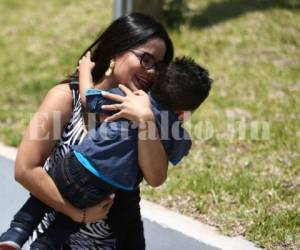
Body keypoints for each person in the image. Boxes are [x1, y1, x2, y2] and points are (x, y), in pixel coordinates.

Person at [0, 52, 212, 250]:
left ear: (156, 81)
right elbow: (169, 161)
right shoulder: (174, 130)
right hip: (104, 188)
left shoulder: (127, 97)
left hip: (77, 164)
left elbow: (89, 100)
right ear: (184, 112)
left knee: (41, 199)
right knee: (66, 223)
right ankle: (42, 247)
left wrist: (85, 70)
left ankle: (17, 232)